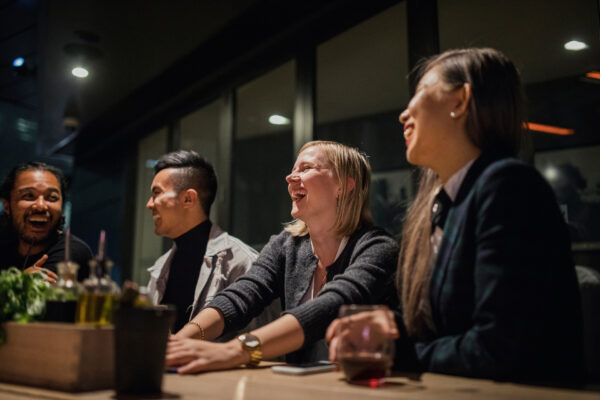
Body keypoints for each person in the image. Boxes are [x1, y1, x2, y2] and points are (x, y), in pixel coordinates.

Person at [327, 48, 584, 382]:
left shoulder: (508, 185)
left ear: (461, 100)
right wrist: (388, 327)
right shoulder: (449, 200)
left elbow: (500, 347)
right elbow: (450, 328)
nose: (403, 114)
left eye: (419, 93)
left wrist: (393, 350)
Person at [165, 140, 399, 373]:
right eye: (293, 170)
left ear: (345, 185)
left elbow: (331, 305)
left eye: (306, 169)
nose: (290, 177)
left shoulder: (378, 248)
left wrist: (233, 351)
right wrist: (177, 343)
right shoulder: (287, 245)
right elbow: (242, 295)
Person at [146, 150, 277, 334]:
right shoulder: (160, 268)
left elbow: (262, 344)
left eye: (156, 193)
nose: (149, 204)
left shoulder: (241, 262)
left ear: (188, 199)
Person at [0, 162, 92, 282]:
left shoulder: (71, 251)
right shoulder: (5, 245)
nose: (41, 206)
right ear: (7, 206)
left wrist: (18, 283)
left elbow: (35, 293)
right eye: (28, 195)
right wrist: (20, 280)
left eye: (52, 198)